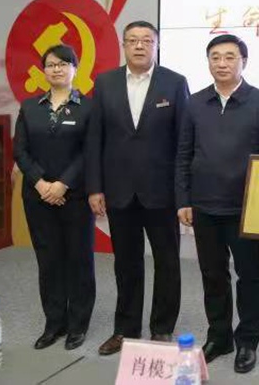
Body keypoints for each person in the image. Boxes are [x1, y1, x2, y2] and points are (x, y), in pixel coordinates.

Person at [176, 34, 259, 374]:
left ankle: (247, 340)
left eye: (229, 57)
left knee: (249, 275)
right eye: (215, 57)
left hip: (245, 209)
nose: (222, 63)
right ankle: (219, 336)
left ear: (243, 62)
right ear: (208, 62)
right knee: (212, 274)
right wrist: (184, 199)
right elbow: (183, 154)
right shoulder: (195, 103)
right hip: (204, 206)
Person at [86, 20, 190, 355]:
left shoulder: (174, 83)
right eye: (133, 40)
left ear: (156, 45)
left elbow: (183, 142)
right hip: (119, 191)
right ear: (124, 45)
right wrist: (95, 187)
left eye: (147, 40)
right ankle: (125, 329)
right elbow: (95, 138)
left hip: (162, 191)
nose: (140, 45)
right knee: (126, 263)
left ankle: (162, 328)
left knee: (167, 262)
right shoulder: (105, 83)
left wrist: (183, 193)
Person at [13, 44, 95, 351]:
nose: (56, 69)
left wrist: (62, 185)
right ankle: (54, 322)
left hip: (75, 197)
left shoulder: (89, 107)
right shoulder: (29, 107)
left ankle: (78, 324)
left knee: (79, 259)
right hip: (37, 196)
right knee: (48, 260)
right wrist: (41, 183)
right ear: (43, 70)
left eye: (63, 64)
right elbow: (20, 150)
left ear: (75, 68)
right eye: (50, 65)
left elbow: (89, 152)